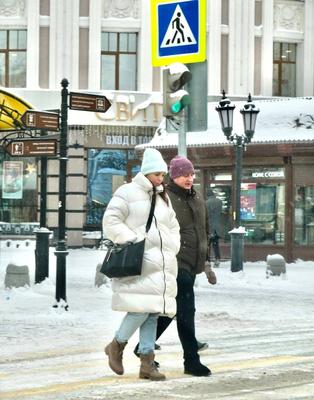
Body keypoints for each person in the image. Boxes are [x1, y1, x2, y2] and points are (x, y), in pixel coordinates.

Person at [102, 148, 180, 381]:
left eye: (162, 174)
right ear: (145, 172)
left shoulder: (163, 197)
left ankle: (147, 363)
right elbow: (111, 220)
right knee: (140, 309)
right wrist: (133, 240)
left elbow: (172, 225)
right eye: (156, 174)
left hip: (162, 264)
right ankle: (117, 345)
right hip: (140, 262)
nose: (160, 178)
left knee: (153, 312)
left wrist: (172, 245)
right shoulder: (127, 192)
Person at [134, 155, 213, 377]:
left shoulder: (197, 198)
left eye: (191, 174)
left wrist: (206, 263)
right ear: (173, 176)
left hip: (192, 262)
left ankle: (143, 348)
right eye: (183, 175)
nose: (189, 179)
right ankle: (191, 361)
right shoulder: (165, 198)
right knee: (186, 312)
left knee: (170, 311)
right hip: (174, 262)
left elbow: (204, 231)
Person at [206, 188, 223, 267]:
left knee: (207, 245)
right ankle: (217, 259)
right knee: (216, 244)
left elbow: (206, 215)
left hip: (209, 227)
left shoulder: (206, 203)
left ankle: (207, 260)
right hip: (217, 226)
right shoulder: (219, 202)